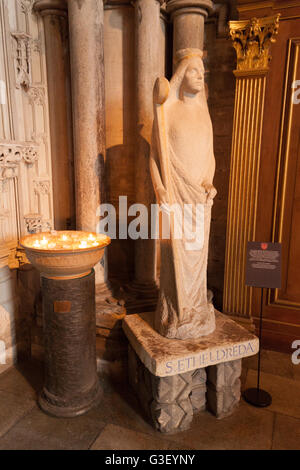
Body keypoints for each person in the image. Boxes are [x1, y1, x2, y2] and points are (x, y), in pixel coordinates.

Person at [150, 48, 217, 340]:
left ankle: (195, 308)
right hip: (173, 195)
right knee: (173, 253)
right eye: (193, 71)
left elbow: (210, 154)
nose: (200, 76)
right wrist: (160, 187)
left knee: (196, 254)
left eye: (203, 73)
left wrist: (209, 182)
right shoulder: (165, 112)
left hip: (199, 196)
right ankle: (175, 310)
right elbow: (153, 157)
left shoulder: (204, 113)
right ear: (181, 75)